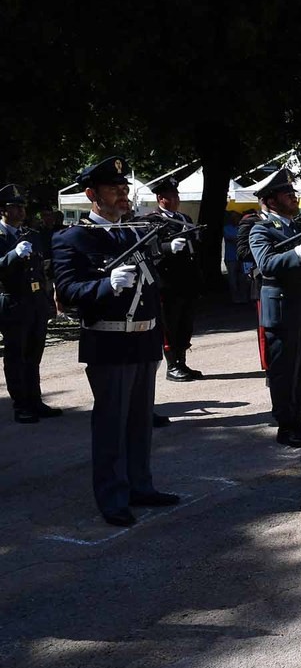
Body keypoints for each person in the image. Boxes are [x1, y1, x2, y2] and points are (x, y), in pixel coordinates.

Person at [52, 156, 180, 526]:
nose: (123, 194)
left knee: (140, 422)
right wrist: (105, 286)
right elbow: (68, 290)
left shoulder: (133, 232)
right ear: (92, 194)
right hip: (109, 342)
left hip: (144, 341)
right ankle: (112, 496)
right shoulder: (73, 237)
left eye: (125, 188)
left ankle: (141, 485)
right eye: (114, 188)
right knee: (111, 424)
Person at [248, 169, 301, 448]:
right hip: (281, 311)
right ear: (270, 200)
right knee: (284, 372)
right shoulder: (261, 229)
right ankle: (285, 425)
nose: (293, 198)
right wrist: (299, 253)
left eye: (293, 194)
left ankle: (298, 419)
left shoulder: (294, 227)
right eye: (287, 194)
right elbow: (266, 264)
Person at [0, 184, 59, 423]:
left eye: (22, 206)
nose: (21, 211)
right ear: (3, 210)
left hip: (35, 302)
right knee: (16, 355)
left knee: (34, 353)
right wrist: (12, 255)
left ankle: (35, 399)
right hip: (12, 301)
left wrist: (48, 300)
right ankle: (21, 403)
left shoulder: (32, 235)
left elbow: (42, 271)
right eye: (15, 207)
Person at [147, 177, 203, 382]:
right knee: (170, 324)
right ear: (161, 198)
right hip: (168, 281)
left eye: (177, 195)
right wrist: (167, 248)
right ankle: (172, 365)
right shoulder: (152, 220)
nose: (176, 199)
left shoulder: (184, 219)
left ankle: (182, 362)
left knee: (185, 324)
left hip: (186, 280)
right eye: (172, 196)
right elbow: (149, 248)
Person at [223, 210, 251, 304]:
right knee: (232, 279)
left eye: (237, 217)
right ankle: (235, 298)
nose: (236, 219)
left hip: (242, 257)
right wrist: (242, 238)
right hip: (231, 257)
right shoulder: (227, 228)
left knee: (244, 278)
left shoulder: (241, 227)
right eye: (234, 217)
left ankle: (244, 297)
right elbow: (232, 238)